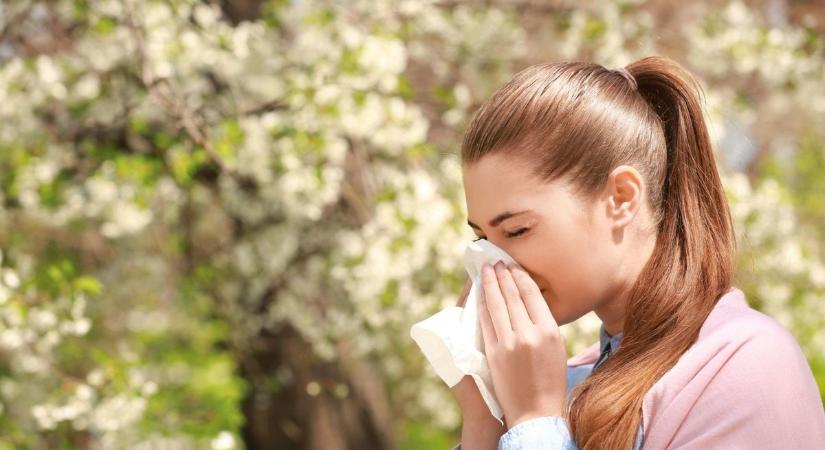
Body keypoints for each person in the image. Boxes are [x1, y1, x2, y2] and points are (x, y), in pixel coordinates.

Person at [447, 55, 825, 449]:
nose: (495, 263)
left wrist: (532, 421)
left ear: (621, 198)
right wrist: (486, 418)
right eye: (483, 239)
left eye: (516, 230)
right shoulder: (568, 382)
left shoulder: (741, 366)